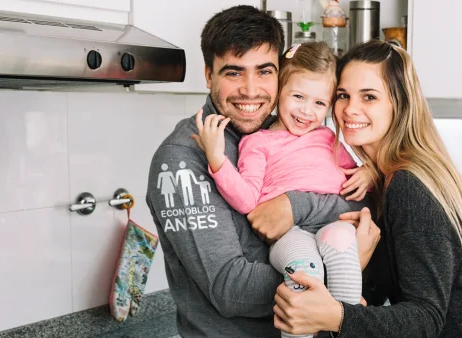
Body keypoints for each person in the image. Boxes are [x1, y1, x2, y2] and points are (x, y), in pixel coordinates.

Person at [271, 40, 462, 337]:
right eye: (343, 95)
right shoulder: (386, 177)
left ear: (399, 103)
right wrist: (359, 262)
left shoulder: (408, 185)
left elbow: (426, 319)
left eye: (369, 97)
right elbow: (389, 295)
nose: (351, 109)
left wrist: (337, 316)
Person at [145, 6, 365, 338]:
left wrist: (297, 205)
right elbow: (229, 288)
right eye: (233, 72)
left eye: (264, 71)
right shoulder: (182, 160)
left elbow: (355, 203)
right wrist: (339, 269)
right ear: (208, 75)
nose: (250, 89)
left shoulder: (292, 134)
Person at [192, 41, 371, 338]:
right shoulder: (258, 143)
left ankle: (347, 327)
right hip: (291, 235)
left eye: (319, 103)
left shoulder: (327, 138)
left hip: (331, 227)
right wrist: (217, 160)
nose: (307, 111)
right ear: (278, 94)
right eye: (298, 96)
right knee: (304, 271)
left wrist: (369, 172)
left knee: (343, 250)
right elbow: (247, 199)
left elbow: (357, 185)